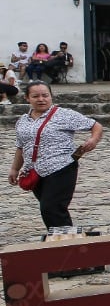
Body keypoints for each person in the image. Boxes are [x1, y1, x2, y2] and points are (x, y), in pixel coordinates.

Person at [9, 81, 104, 230]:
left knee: (51, 207)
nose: (41, 99)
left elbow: (95, 125)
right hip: (35, 171)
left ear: (51, 96)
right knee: (50, 210)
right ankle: (61, 240)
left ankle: (66, 244)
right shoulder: (22, 121)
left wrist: (93, 140)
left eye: (45, 95)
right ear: (27, 98)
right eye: (36, 96)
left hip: (61, 167)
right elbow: (21, 146)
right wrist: (15, 169)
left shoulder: (64, 115)